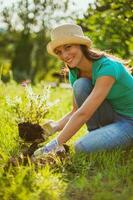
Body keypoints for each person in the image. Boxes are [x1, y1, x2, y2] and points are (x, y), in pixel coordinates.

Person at [34, 23, 133, 158]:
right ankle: (99, 136)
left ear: (81, 45)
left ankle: (117, 141)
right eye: (59, 52)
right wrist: (55, 126)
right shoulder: (74, 73)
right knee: (80, 85)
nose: (64, 55)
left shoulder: (107, 67)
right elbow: (76, 111)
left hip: (129, 122)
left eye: (68, 47)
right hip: (112, 114)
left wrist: (52, 146)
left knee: (81, 147)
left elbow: (84, 113)